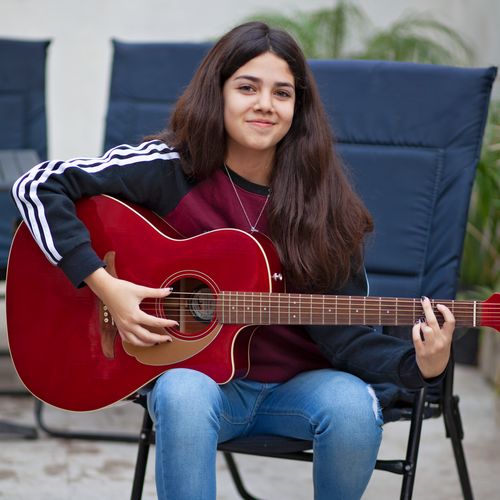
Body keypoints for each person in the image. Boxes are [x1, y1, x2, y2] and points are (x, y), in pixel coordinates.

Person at [12, 21, 454, 500]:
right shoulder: (169, 168)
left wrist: (423, 366)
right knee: (181, 392)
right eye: (247, 87)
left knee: (352, 409)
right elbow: (37, 184)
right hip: (202, 390)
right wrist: (108, 288)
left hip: (298, 391)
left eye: (282, 93)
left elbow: (346, 338)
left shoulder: (325, 205)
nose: (265, 104)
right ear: (217, 93)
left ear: (297, 109)